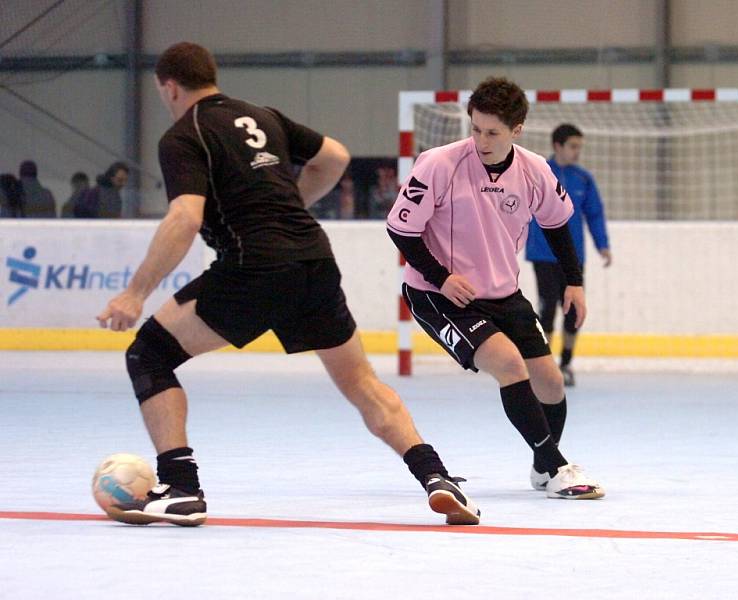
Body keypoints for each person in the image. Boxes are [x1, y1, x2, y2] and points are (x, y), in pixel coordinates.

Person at [96, 42, 479, 527]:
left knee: (148, 354)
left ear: (168, 86)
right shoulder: (262, 115)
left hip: (254, 266)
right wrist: (290, 203)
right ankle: (436, 476)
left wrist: (134, 294)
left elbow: (184, 216)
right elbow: (335, 157)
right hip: (313, 259)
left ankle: (181, 488)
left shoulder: (183, 134)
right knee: (362, 383)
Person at [387, 77, 604, 499]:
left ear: (516, 131)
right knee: (508, 364)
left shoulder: (534, 170)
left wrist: (574, 281)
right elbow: (401, 229)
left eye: (492, 133)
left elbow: (558, 223)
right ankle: (557, 468)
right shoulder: (437, 164)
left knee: (551, 383)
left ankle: (543, 467)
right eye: (475, 129)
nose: (481, 141)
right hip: (439, 295)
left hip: (503, 292)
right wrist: (442, 278)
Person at [525, 124, 611, 387]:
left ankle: (566, 362)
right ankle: (544, 365)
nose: (577, 152)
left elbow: (594, 213)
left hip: (573, 259)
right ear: (558, 146)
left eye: (579, 147)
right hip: (542, 255)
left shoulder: (583, 179)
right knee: (547, 309)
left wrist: (602, 245)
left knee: (573, 311)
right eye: (573, 146)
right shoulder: (538, 174)